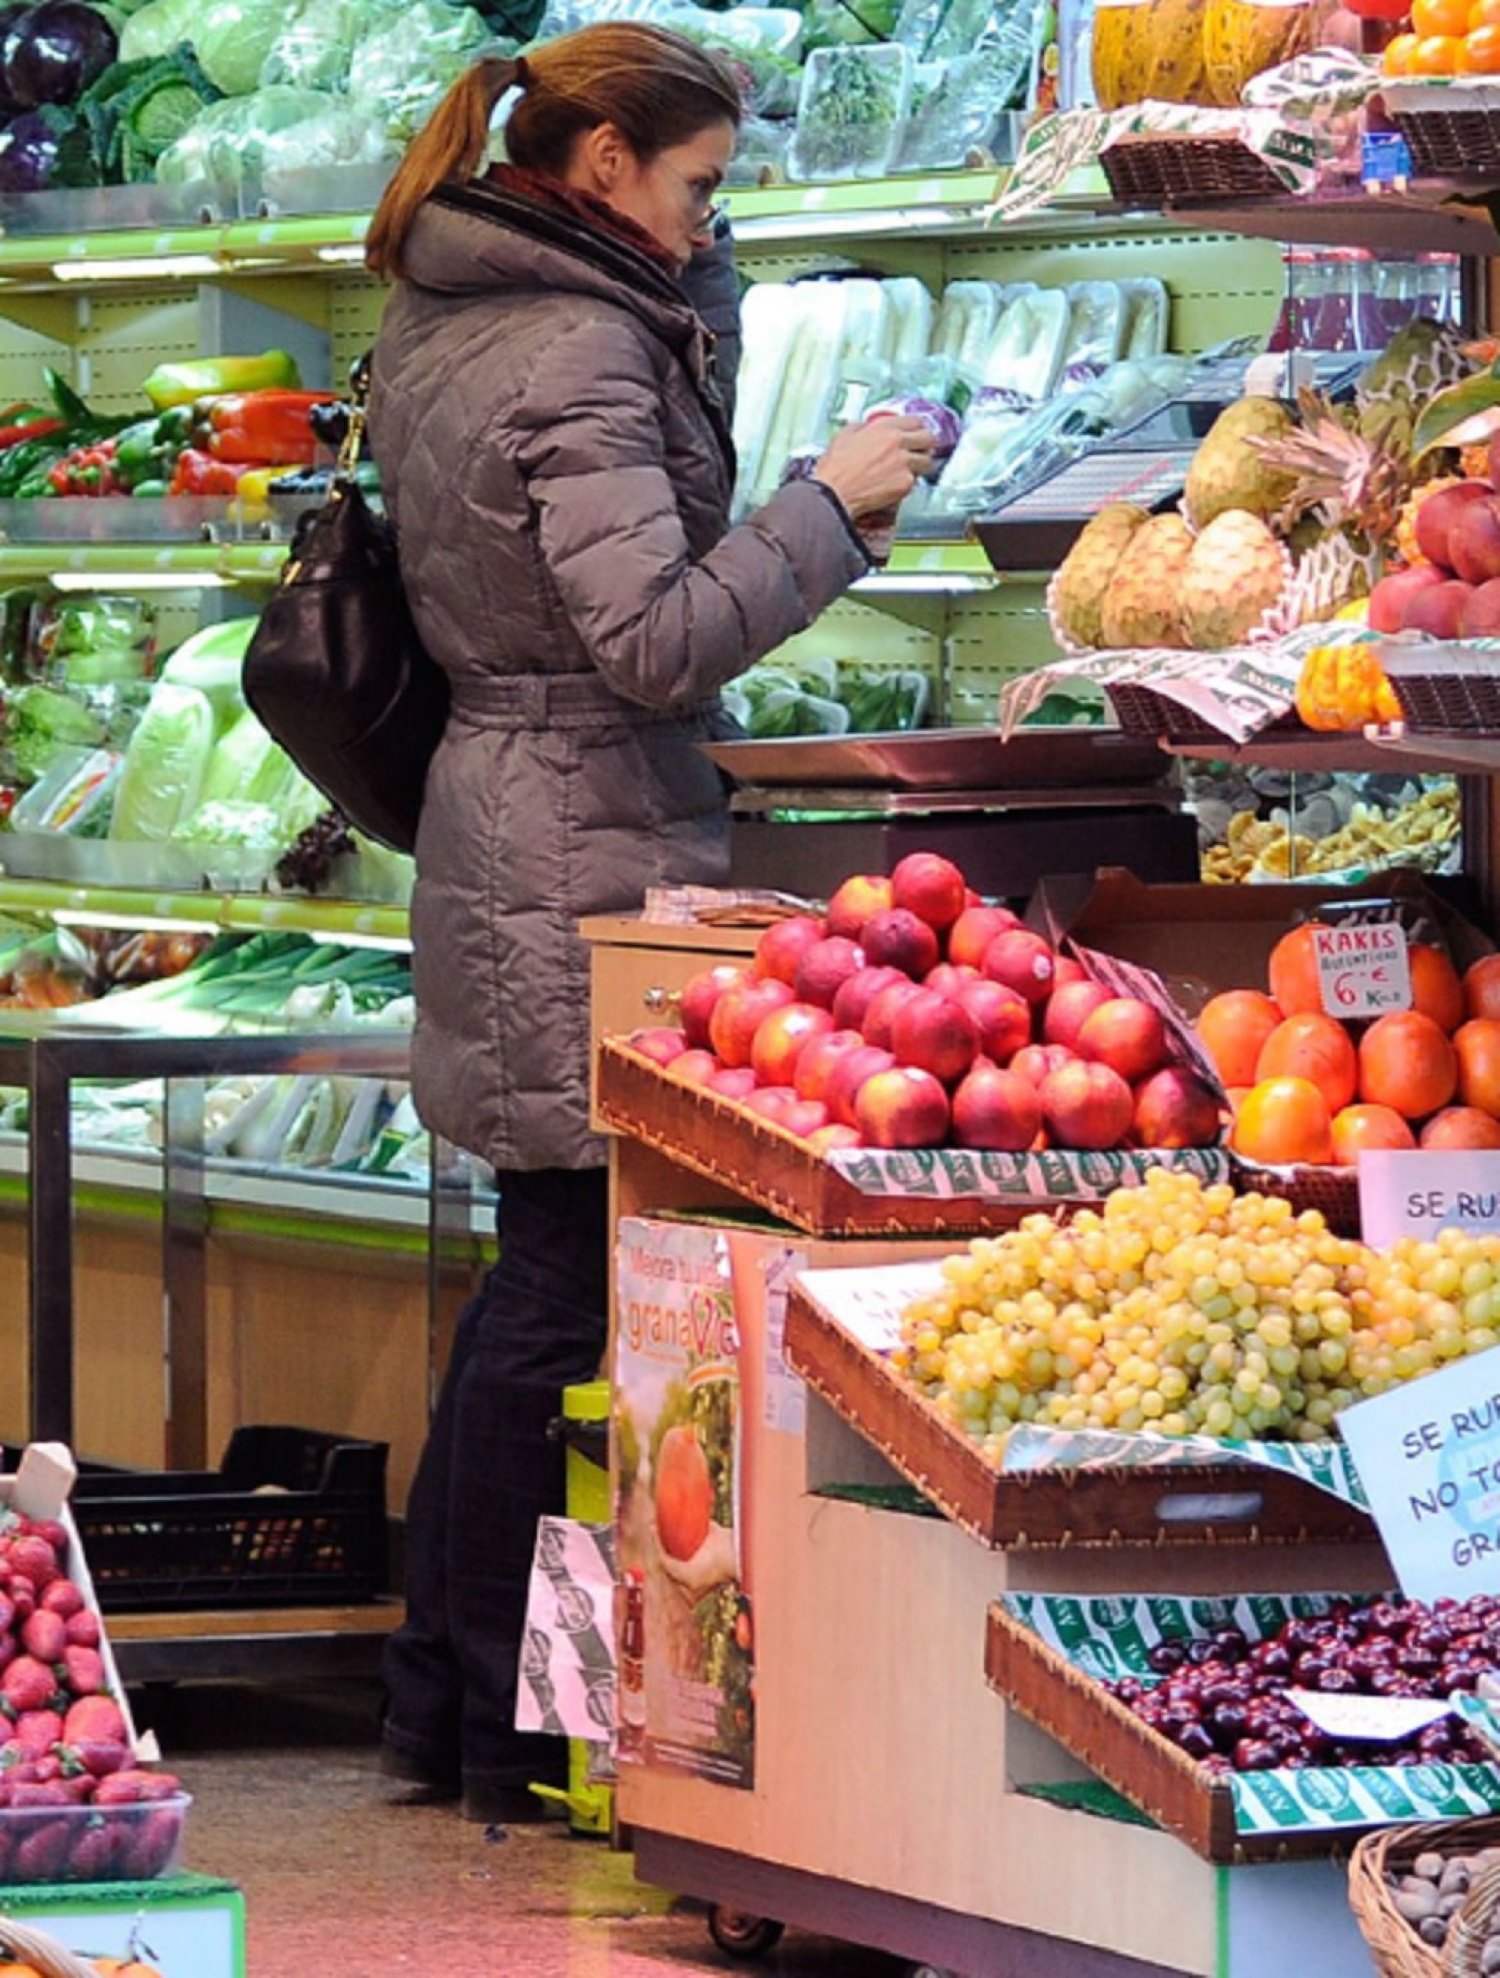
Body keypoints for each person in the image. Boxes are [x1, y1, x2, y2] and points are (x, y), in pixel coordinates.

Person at [364, 22, 933, 1823]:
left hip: (516, 816)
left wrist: (712, 268)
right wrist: (832, 512)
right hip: (574, 840)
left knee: (531, 1281)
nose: (714, 218)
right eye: (699, 186)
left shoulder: (479, 303)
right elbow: (659, 638)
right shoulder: (576, 349)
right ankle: (495, 1728)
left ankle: (445, 1704)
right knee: (552, 1292)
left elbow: (648, 456)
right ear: (602, 163)